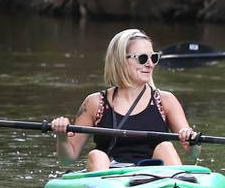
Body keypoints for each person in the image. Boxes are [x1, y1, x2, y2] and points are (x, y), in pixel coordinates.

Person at [50, 29, 199, 170]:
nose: (150, 64)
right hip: (111, 179)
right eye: (142, 58)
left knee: (166, 147)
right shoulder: (95, 103)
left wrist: (192, 141)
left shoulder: (166, 101)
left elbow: (193, 153)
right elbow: (67, 160)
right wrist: (61, 137)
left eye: (153, 58)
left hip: (155, 178)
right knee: (96, 155)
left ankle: (177, 187)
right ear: (120, 60)